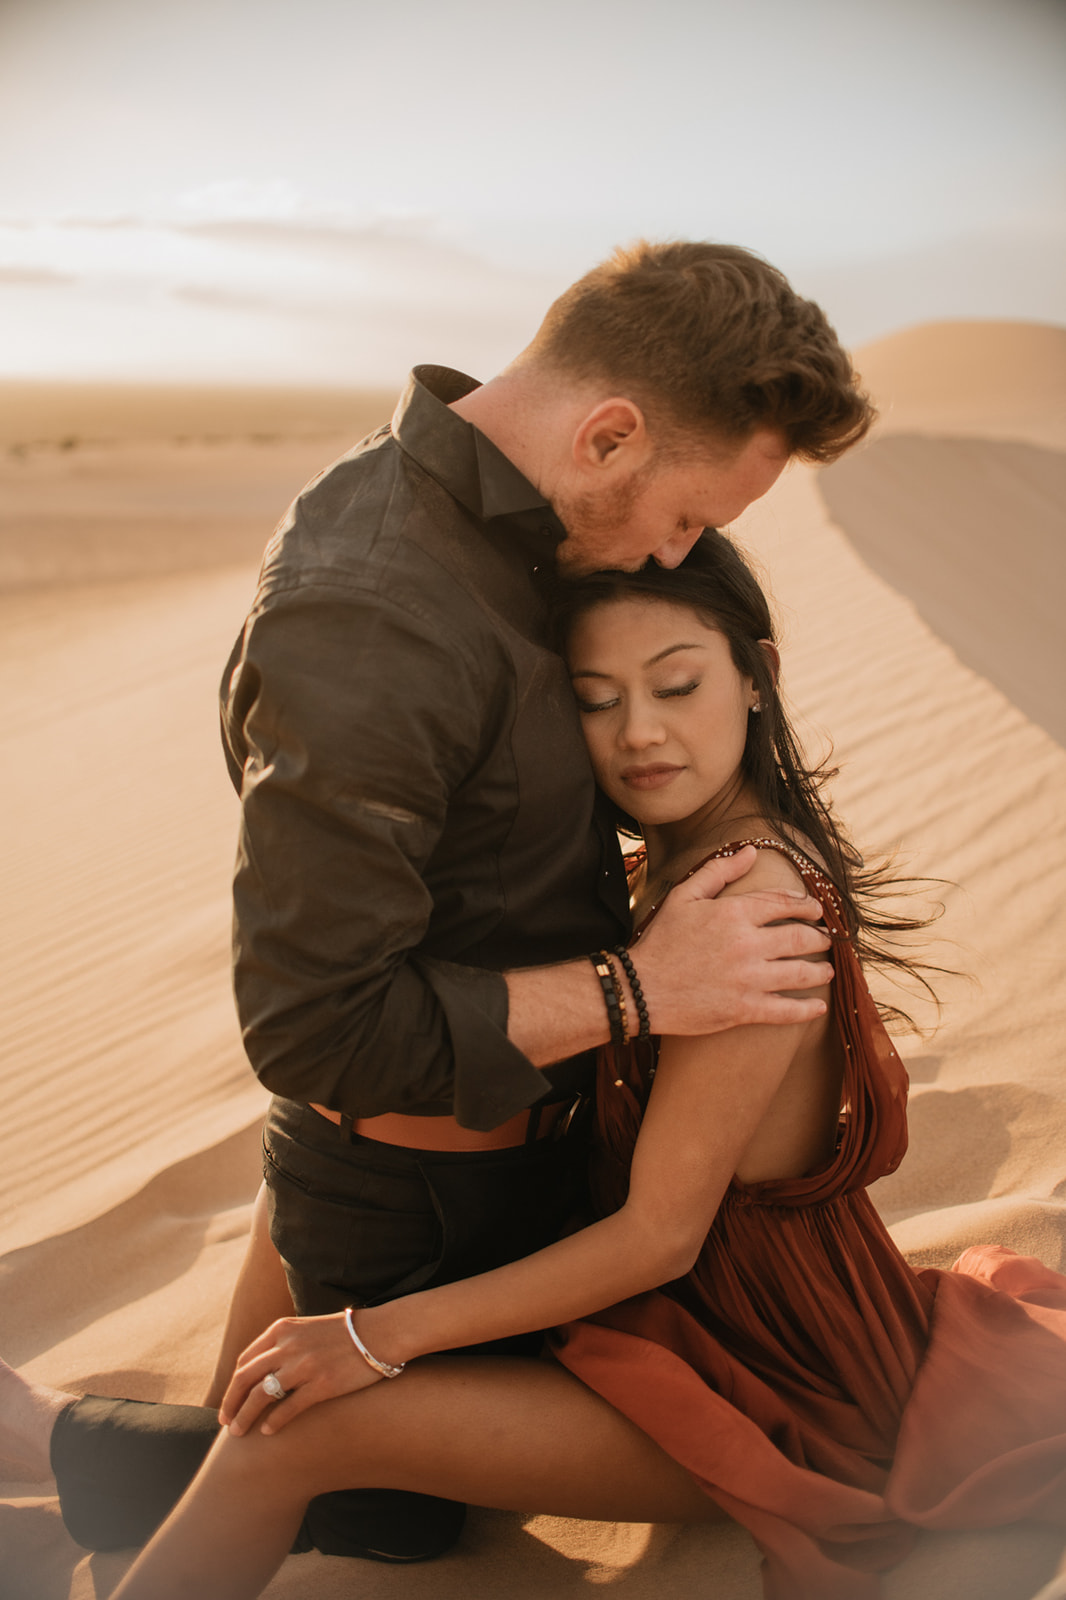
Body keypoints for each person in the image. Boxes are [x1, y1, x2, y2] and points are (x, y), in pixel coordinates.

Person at [4, 531, 1064, 1600]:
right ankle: (66, 1471)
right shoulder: (669, 859)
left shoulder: (753, 912)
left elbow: (660, 1234)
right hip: (665, 1326)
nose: (638, 732)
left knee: (298, 1428)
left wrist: (374, 1336)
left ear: (757, 677)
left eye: (677, 684)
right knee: (290, 1271)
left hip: (774, 1382)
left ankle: (56, 1452)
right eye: (594, 699)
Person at [117, 239, 872, 1560]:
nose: (672, 555)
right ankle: (44, 1437)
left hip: (529, 1187)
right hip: (408, 1207)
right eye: (688, 518)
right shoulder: (376, 610)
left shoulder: (525, 535)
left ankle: (39, 1435)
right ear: (609, 434)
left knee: (285, 1458)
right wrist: (640, 988)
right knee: (352, 1508)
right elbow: (314, 1031)